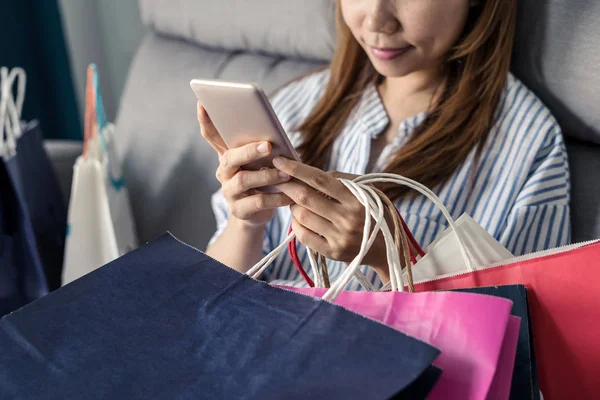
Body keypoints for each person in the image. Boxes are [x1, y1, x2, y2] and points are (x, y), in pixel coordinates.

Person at [198, 0, 570, 290]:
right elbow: (208, 296)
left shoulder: (529, 144)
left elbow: (522, 343)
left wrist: (390, 256)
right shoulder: (294, 106)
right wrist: (247, 223)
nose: (377, 20)